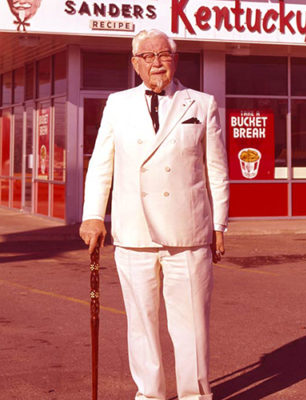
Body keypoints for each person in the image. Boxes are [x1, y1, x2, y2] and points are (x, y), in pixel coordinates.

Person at [79, 29, 229, 400]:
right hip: (134, 232)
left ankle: (195, 395)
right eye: (147, 56)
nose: (156, 62)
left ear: (175, 60)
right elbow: (102, 164)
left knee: (191, 325)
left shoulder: (201, 104)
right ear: (135, 64)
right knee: (141, 324)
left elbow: (217, 169)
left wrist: (219, 224)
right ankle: (150, 395)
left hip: (188, 232)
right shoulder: (117, 104)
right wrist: (93, 215)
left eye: (163, 54)